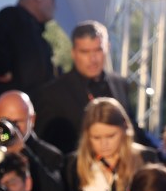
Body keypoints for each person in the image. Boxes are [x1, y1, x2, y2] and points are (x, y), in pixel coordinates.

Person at [35, 21, 146, 154]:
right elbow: (48, 146)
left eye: (98, 50)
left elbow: (133, 128)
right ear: (74, 53)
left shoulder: (119, 83)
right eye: (85, 52)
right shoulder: (52, 94)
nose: (93, 59)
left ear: (107, 48)